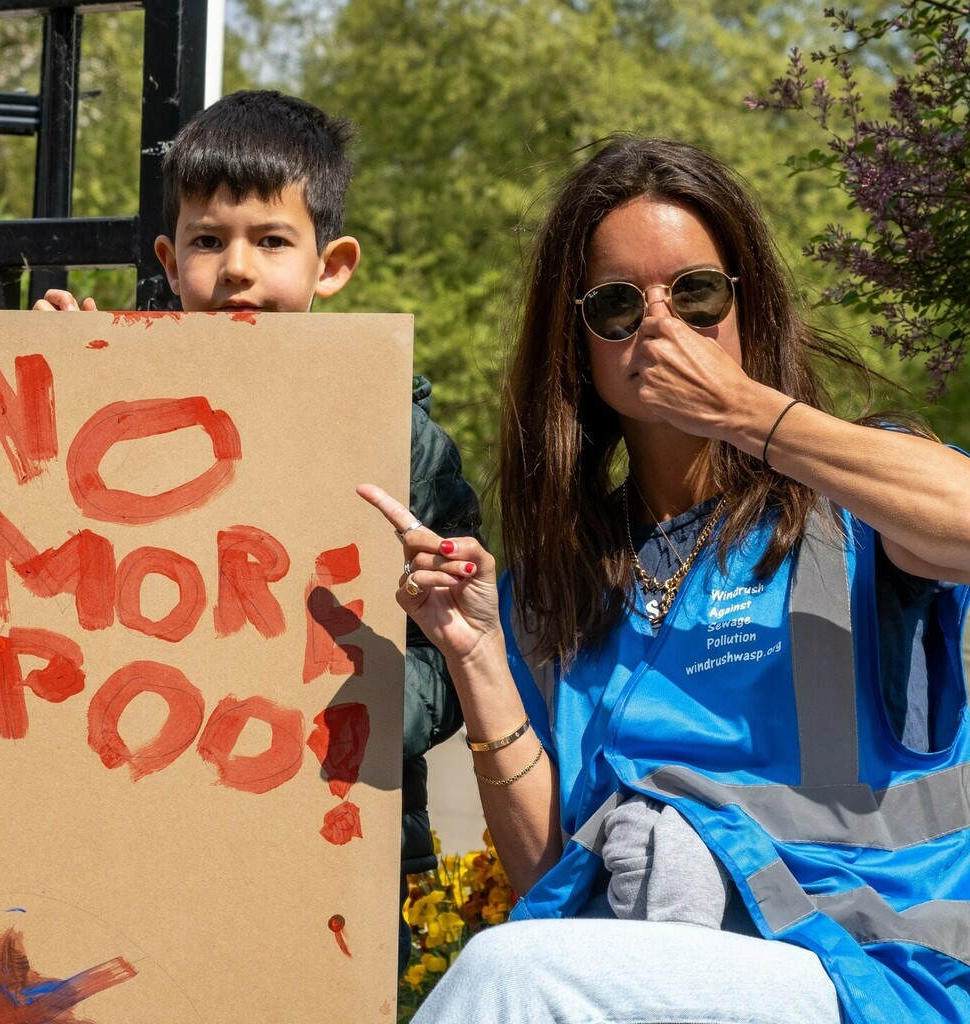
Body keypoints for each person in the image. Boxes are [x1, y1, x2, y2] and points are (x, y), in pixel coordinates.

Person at [358, 135, 970, 1024]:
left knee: (510, 977)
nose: (660, 324)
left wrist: (744, 409)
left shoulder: (852, 506)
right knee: (528, 964)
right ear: (580, 348)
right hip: (647, 970)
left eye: (697, 293)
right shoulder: (555, 585)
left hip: (868, 973)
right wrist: (476, 652)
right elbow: (545, 874)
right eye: (617, 306)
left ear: (747, 307)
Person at [33, 89, 480, 974]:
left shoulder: (404, 443)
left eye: (272, 241)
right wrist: (59, 381)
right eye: (208, 240)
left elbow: (454, 665)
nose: (237, 268)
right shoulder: (120, 418)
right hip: (140, 833)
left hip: (333, 845)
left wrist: (340, 712)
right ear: (169, 260)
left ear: (332, 264)